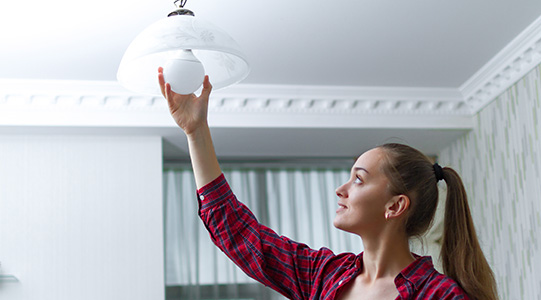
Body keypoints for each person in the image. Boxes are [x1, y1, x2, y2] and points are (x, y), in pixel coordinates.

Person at [158, 68, 499, 300]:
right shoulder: (326, 276)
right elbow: (239, 233)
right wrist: (196, 131)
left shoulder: (439, 295)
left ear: (395, 205)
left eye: (359, 179)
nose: (342, 189)